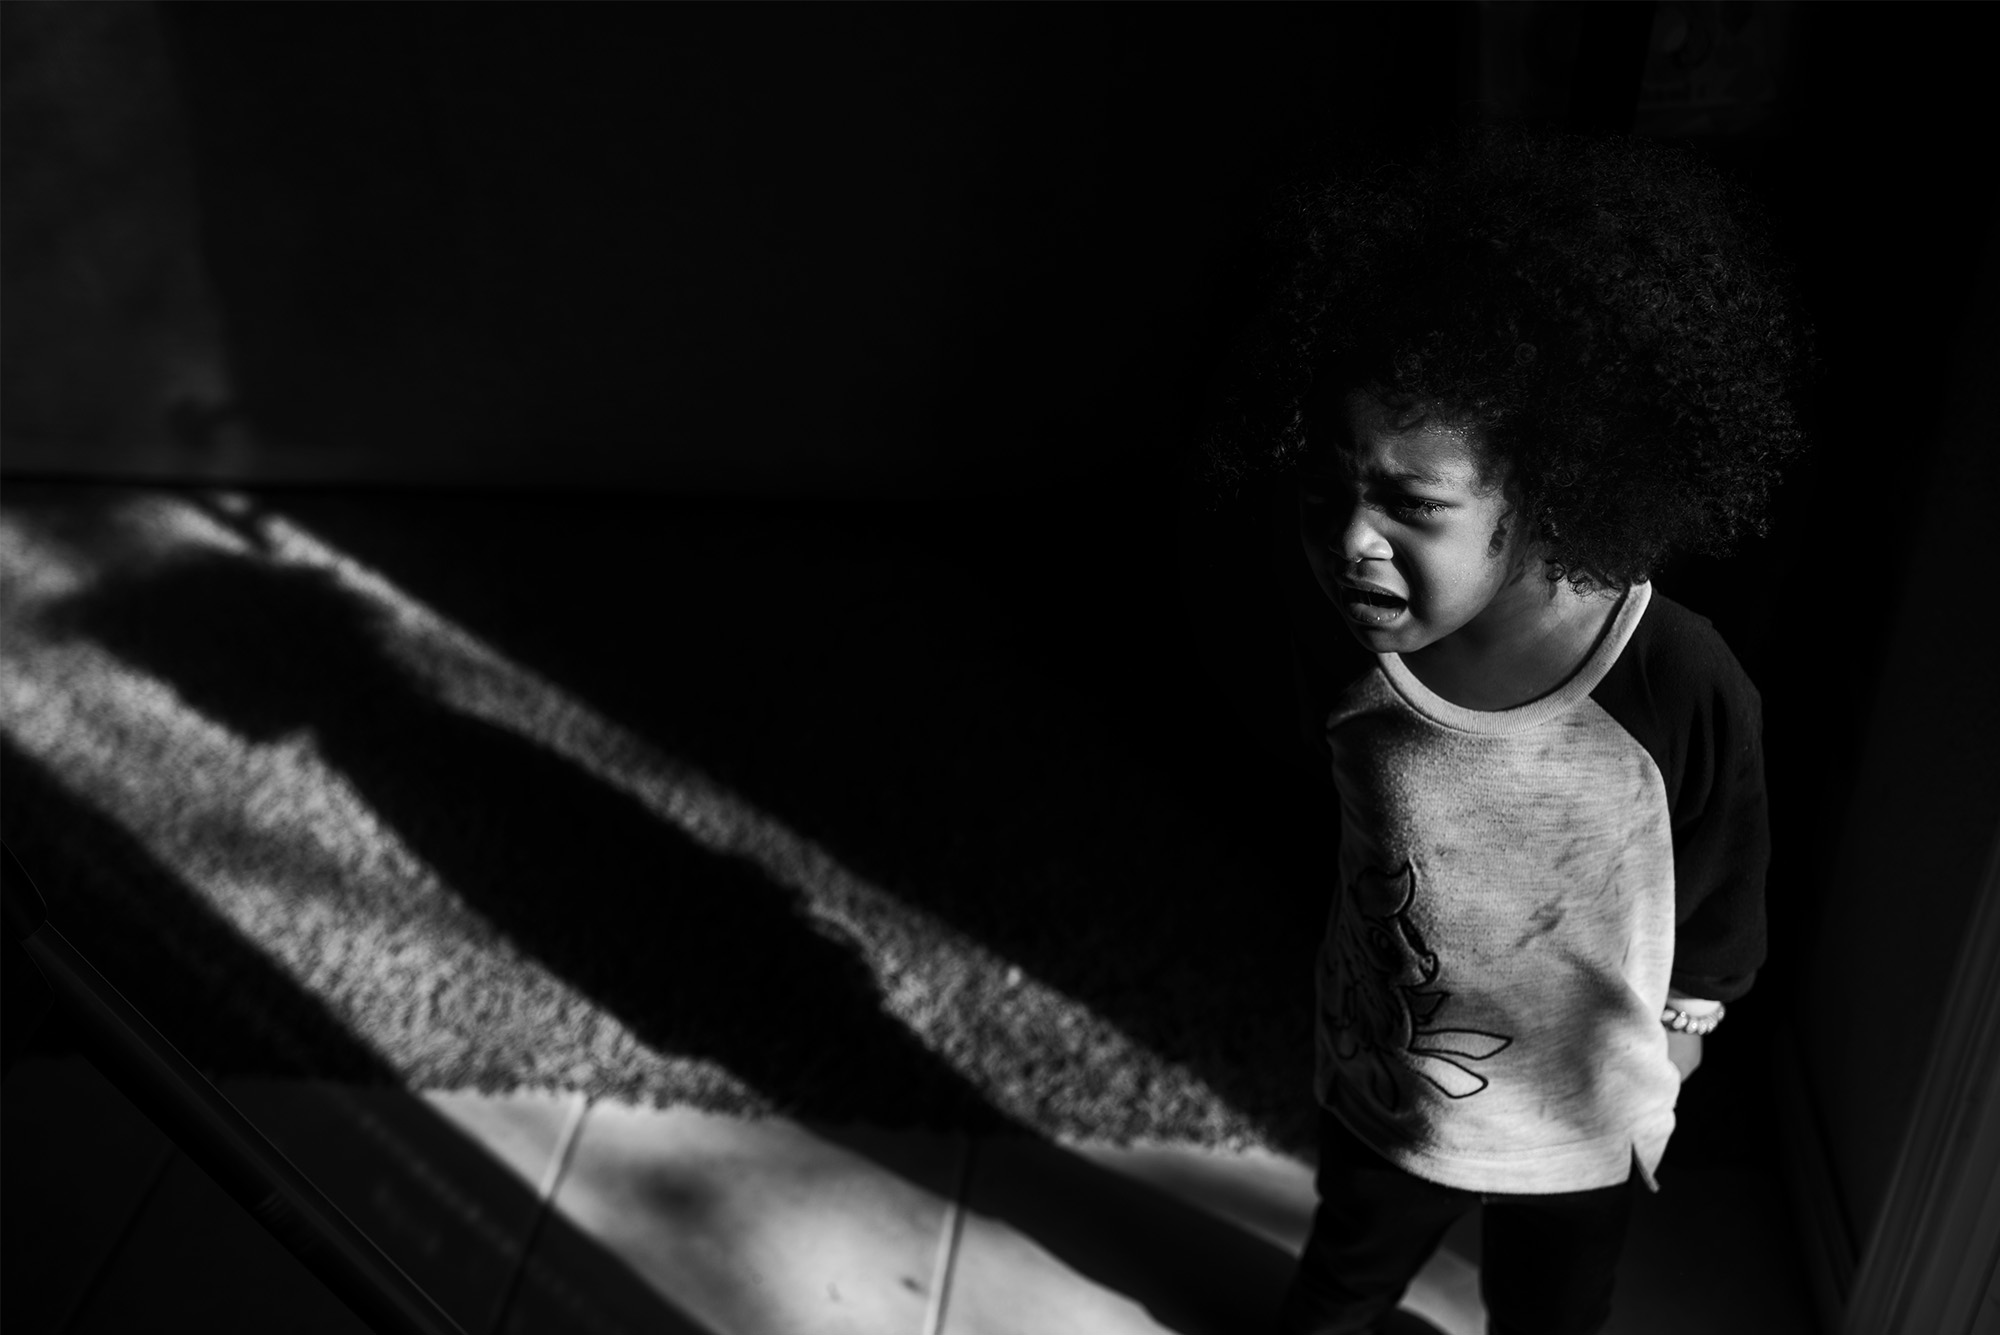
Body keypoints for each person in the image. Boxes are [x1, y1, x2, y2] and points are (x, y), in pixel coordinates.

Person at [1193, 129, 1810, 1335]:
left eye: (1411, 506)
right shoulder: (1340, 640)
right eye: (1325, 491)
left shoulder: (1670, 678)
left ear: (1547, 489)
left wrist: (1685, 1032)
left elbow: (1726, 876)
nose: (1350, 541)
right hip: (1388, 1086)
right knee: (1340, 1282)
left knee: (1550, 1312)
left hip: (1578, 1119)